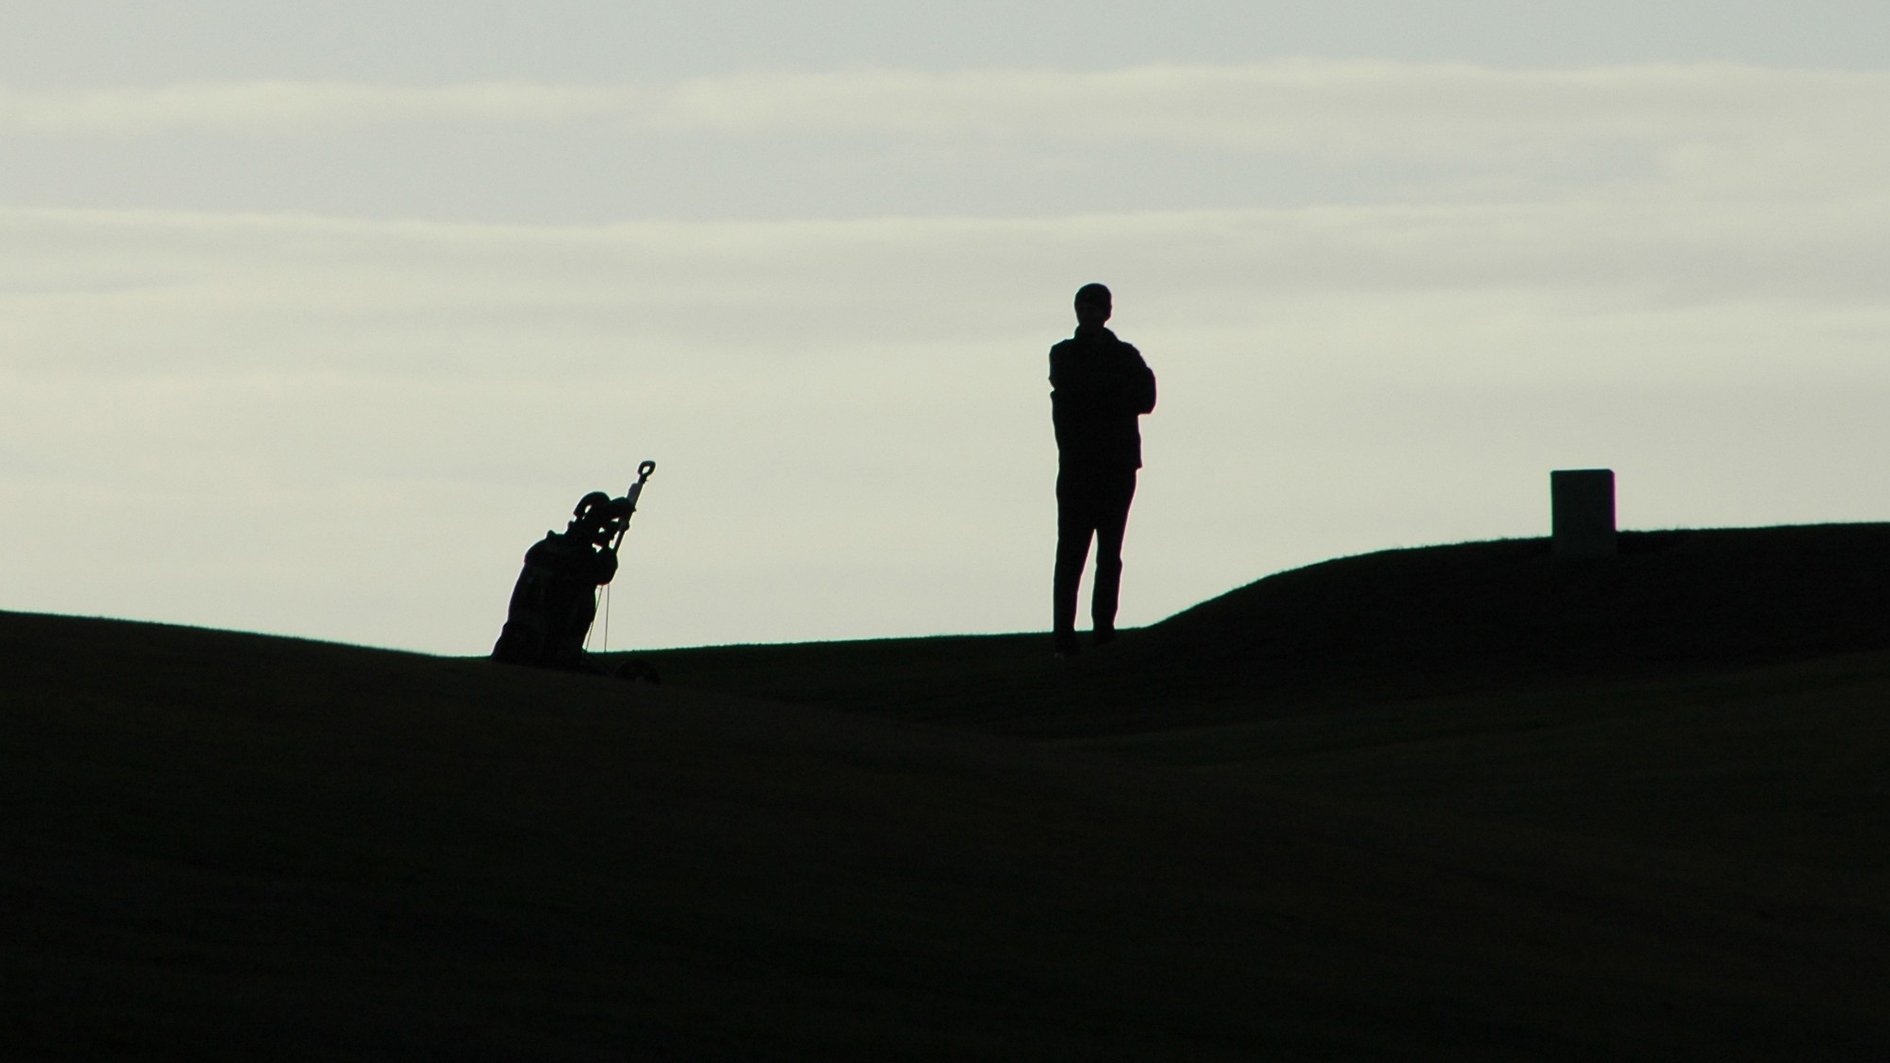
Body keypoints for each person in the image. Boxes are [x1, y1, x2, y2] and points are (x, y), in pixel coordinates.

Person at [1049, 282, 1156, 657]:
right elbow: (1076, 390)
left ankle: (1104, 631)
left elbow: (1147, 397)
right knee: (1072, 554)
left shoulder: (1125, 355)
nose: (1089, 314)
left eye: (1095, 308)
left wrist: (1097, 394)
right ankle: (1064, 636)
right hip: (1079, 467)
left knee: (1110, 552)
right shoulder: (1064, 354)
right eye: (1084, 308)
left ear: (1107, 312)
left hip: (1116, 466)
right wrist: (1112, 394)